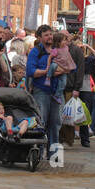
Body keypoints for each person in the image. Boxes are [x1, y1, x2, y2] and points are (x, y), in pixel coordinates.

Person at [26, 25, 64, 158]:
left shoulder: (57, 50)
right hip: (41, 90)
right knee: (41, 121)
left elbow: (68, 66)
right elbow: (31, 72)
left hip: (56, 92)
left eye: (51, 34)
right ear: (40, 37)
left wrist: (61, 70)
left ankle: (53, 154)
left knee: (56, 122)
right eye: (46, 35)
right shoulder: (36, 52)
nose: (50, 37)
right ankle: (38, 152)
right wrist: (48, 72)